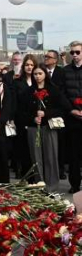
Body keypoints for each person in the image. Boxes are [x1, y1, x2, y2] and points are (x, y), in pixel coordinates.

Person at [25, 66, 66, 191]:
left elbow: (62, 108)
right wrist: (33, 118)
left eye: (40, 73)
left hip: (49, 126)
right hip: (33, 128)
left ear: (45, 74)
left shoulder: (53, 90)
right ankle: (39, 184)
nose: (37, 76)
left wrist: (46, 113)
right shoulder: (28, 91)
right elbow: (22, 111)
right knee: (36, 157)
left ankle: (52, 185)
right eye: (35, 74)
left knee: (51, 155)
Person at [11, 55, 36, 178]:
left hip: (35, 119)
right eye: (27, 65)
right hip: (21, 119)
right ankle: (24, 173)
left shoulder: (38, 80)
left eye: (32, 65)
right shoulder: (17, 82)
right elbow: (14, 102)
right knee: (22, 147)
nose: (29, 67)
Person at [64, 41, 82, 193]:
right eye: (72, 53)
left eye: (77, 52)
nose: (75, 55)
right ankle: (75, 185)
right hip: (72, 118)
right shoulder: (65, 71)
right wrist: (71, 110)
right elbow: (62, 94)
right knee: (73, 154)